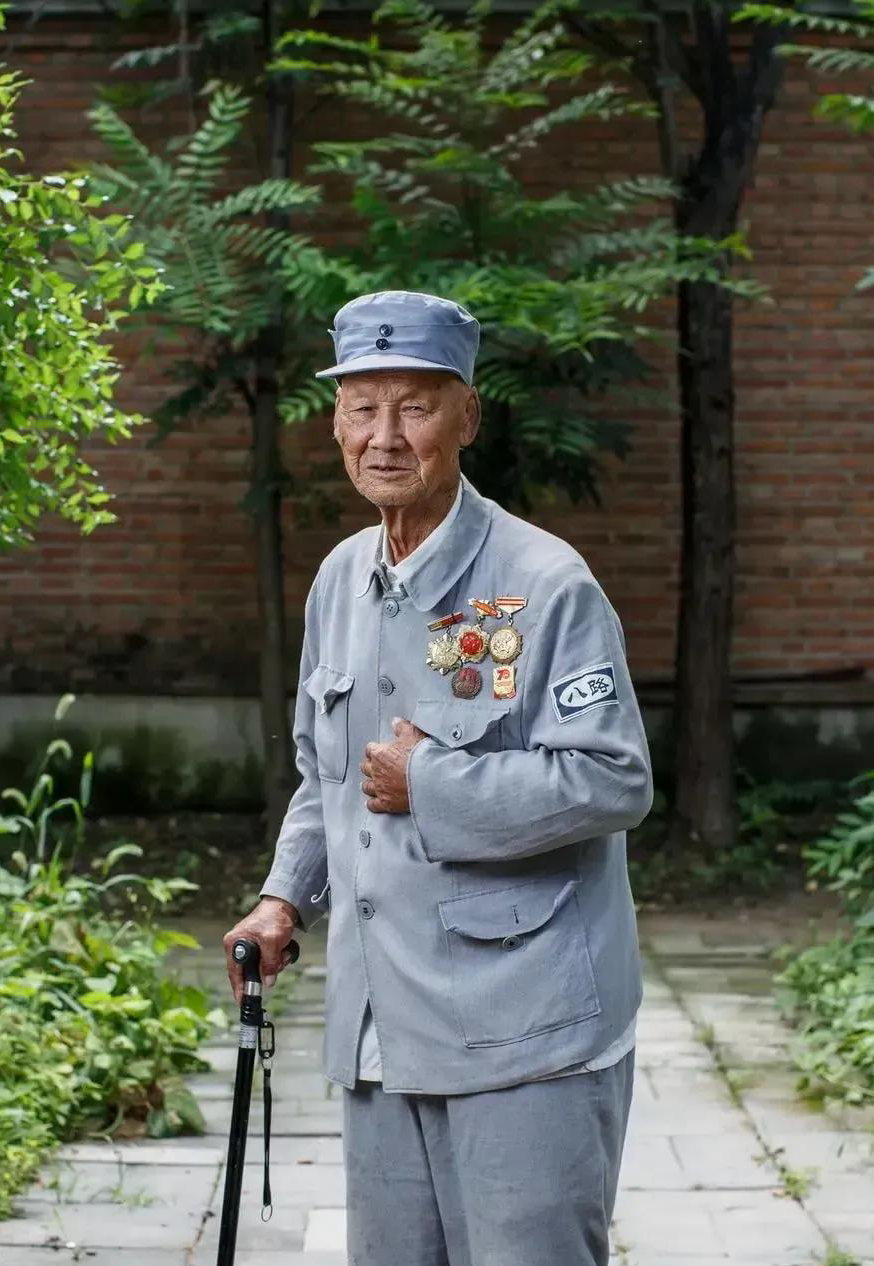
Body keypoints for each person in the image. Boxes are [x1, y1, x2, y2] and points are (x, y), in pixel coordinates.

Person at [224, 290, 653, 1266]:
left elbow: (615, 779)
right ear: (334, 421)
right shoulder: (339, 577)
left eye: (414, 407)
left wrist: (433, 781)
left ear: (467, 415)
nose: (384, 437)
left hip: (525, 1031)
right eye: (361, 408)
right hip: (383, 1026)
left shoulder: (545, 583)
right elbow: (324, 774)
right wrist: (284, 898)